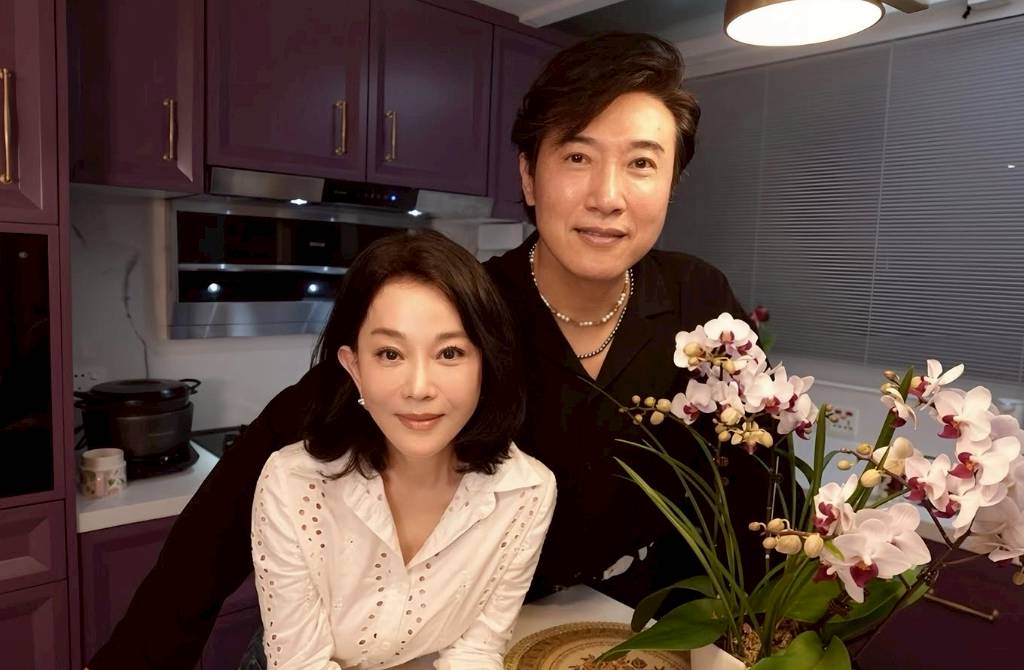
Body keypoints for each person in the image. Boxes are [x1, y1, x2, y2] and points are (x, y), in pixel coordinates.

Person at [87, 32, 785, 670]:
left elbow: (755, 479)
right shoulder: (464, 307)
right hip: (436, 635)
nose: (608, 196)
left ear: (671, 182)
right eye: (577, 156)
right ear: (528, 174)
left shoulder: (698, 298)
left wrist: (751, 632)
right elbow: (248, 482)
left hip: (614, 623)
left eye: (641, 163)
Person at [242, 230, 556, 669]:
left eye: (450, 353)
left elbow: (476, 650)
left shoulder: (527, 493)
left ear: (485, 363)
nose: (419, 388)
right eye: (390, 354)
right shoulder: (292, 484)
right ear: (355, 367)